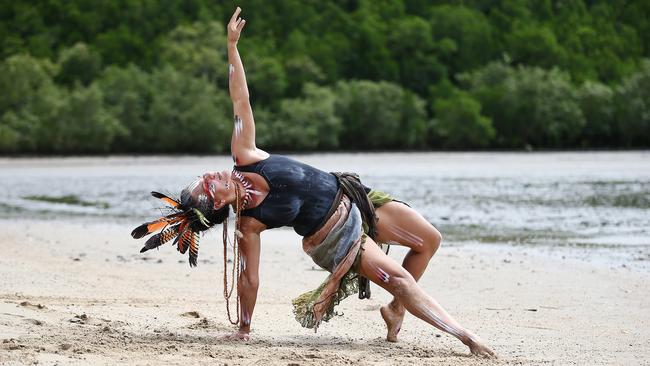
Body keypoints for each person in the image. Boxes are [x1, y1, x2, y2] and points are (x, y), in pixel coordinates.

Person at [132, 7, 494, 358]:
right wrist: (244, 328)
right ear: (217, 205)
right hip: (335, 236)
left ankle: (396, 310)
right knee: (399, 278)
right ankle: (466, 337)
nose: (210, 176)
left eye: (202, 178)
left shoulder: (244, 154)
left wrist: (232, 48)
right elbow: (250, 279)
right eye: (206, 187)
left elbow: (240, 100)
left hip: (356, 199)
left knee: (429, 240)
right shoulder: (248, 224)